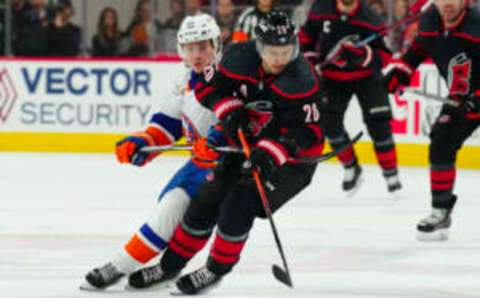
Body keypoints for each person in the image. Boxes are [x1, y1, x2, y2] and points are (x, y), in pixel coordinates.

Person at [125, 11, 326, 294]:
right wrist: (227, 109)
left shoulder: (303, 81)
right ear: (258, 46)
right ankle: (169, 266)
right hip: (245, 144)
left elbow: (307, 134)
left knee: (238, 203)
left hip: (292, 161)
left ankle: (215, 270)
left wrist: (269, 154)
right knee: (205, 201)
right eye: (272, 51)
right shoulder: (237, 57)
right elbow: (204, 85)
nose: (279, 59)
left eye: (286, 51)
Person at [81, 14, 223, 290]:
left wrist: (219, 138)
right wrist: (143, 142)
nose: (196, 54)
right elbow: (169, 123)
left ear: (216, 45)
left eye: (203, 46)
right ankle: (162, 269)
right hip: (200, 163)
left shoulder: (231, 74)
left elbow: (243, 118)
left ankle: (120, 266)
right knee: (170, 206)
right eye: (190, 47)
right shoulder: (183, 76)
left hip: (228, 164)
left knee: (175, 211)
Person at [384, 0, 480, 241]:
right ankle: (440, 211)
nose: (447, 3)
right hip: (460, 100)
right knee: (440, 142)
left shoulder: (477, 25)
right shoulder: (429, 22)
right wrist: (401, 72)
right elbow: (417, 51)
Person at [299, 0, 403, 198]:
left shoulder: (371, 18)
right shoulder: (321, 8)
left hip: (367, 77)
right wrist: (311, 61)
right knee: (328, 123)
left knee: (379, 125)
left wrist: (364, 55)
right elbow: (306, 36)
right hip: (332, 76)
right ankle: (351, 166)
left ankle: (391, 175)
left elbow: (385, 55)